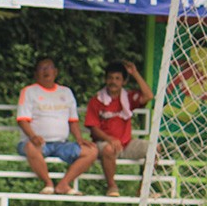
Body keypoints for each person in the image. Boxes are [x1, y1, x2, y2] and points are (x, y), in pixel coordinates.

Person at [16, 57, 98, 195]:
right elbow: (22, 120)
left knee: (91, 151)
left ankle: (64, 184)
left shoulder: (66, 92)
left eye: (49, 68)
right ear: (36, 74)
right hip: (37, 143)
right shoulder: (29, 91)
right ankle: (48, 183)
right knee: (31, 147)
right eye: (42, 68)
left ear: (56, 72)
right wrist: (33, 136)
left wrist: (79, 138)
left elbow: (73, 120)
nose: (46, 71)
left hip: (61, 144)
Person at [85, 60, 154, 197]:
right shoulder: (96, 100)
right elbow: (93, 128)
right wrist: (110, 139)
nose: (113, 82)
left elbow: (148, 96)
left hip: (126, 144)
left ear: (124, 82)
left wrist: (134, 73)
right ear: (105, 79)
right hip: (104, 144)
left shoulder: (127, 97)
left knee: (154, 149)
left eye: (117, 78)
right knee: (109, 149)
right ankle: (112, 187)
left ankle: (143, 189)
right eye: (110, 78)